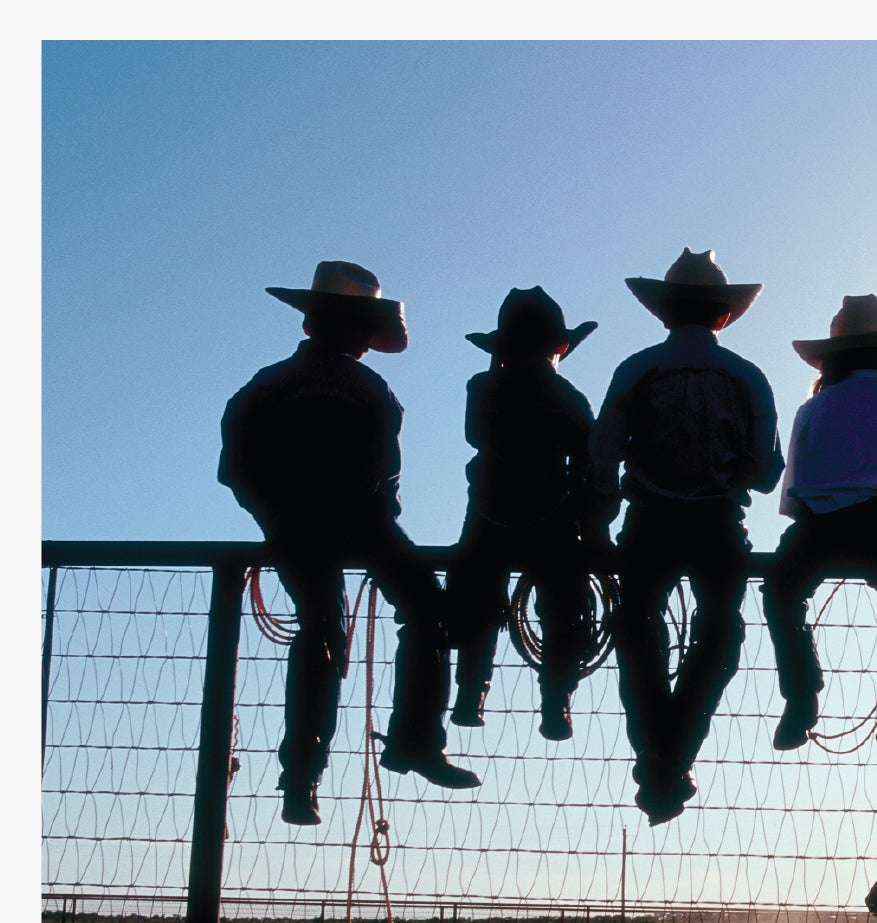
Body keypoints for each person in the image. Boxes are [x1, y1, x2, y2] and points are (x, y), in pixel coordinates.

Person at [219, 261, 479, 826]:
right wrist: (369, 521)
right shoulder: (371, 390)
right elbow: (386, 483)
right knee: (427, 611)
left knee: (320, 631)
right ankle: (416, 740)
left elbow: (233, 469)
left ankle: (302, 779)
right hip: (363, 524)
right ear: (361, 332)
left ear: (311, 325)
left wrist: (275, 517)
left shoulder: (264, 386)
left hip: (291, 526)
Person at [591, 249, 784, 823]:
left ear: (664, 313)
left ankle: (657, 754)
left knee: (636, 635)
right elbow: (766, 474)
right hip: (718, 524)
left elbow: (602, 458)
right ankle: (674, 756)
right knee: (719, 636)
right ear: (723, 316)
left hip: (648, 522)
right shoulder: (748, 376)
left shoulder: (634, 370)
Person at [762, 294, 877, 753]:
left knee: (781, 592)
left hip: (817, 525)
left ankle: (801, 694)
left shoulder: (813, 408)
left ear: (831, 359)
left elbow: (794, 488)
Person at [446, 287, 615, 743]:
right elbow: (591, 460)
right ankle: (556, 704)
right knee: (565, 609)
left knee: (476, 600)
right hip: (552, 516)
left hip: (489, 510)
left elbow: (475, 436)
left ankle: (470, 696)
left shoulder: (482, 388)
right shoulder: (569, 397)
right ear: (558, 348)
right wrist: (595, 522)